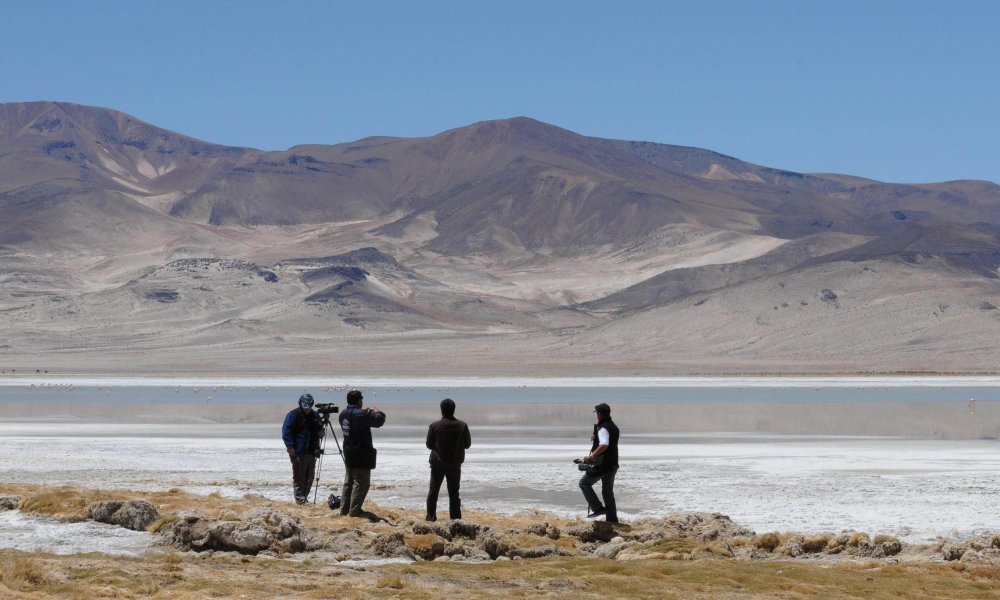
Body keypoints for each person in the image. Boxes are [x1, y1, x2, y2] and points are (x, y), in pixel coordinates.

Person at [338, 389, 386, 517]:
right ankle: (354, 511)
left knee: (349, 482)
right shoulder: (361, 414)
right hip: (361, 453)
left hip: (348, 451)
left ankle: (344, 509)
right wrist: (376, 411)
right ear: (359, 401)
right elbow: (379, 421)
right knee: (361, 482)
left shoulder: (343, 414)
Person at [425, 398, 472, 521]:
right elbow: (467, 444)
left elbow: (429, 445)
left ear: (441, 410)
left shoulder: (434, 426)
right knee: (454, 493)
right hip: (454, 464)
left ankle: (430, 517)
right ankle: (455, 520)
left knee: (433, 491)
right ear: (453, 409)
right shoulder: (462, 425)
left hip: (437, 464)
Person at [579, 402, 619, 523]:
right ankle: (612, 521)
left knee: (584, 483)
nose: (597, 415)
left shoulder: (603, 428)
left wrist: (591, 457)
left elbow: (604, 445)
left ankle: (597, 508)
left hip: (603, 465)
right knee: (607, 492)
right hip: (612, 464)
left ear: (600, 414)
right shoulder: (613, 426)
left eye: (597, 413)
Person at [281, 393, 324, 504]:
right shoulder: (293, 415)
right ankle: (300, 500)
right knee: (299, 476)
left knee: (309, 476)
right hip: (298, 451)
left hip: (312, 450)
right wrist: (290, 446)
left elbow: (320, 430)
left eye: (309, 407)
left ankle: (304, 497)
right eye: (305, 407)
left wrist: (321, 431)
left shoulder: (315, 415)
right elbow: (286, 432)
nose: (307, 409)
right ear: (300, 404)